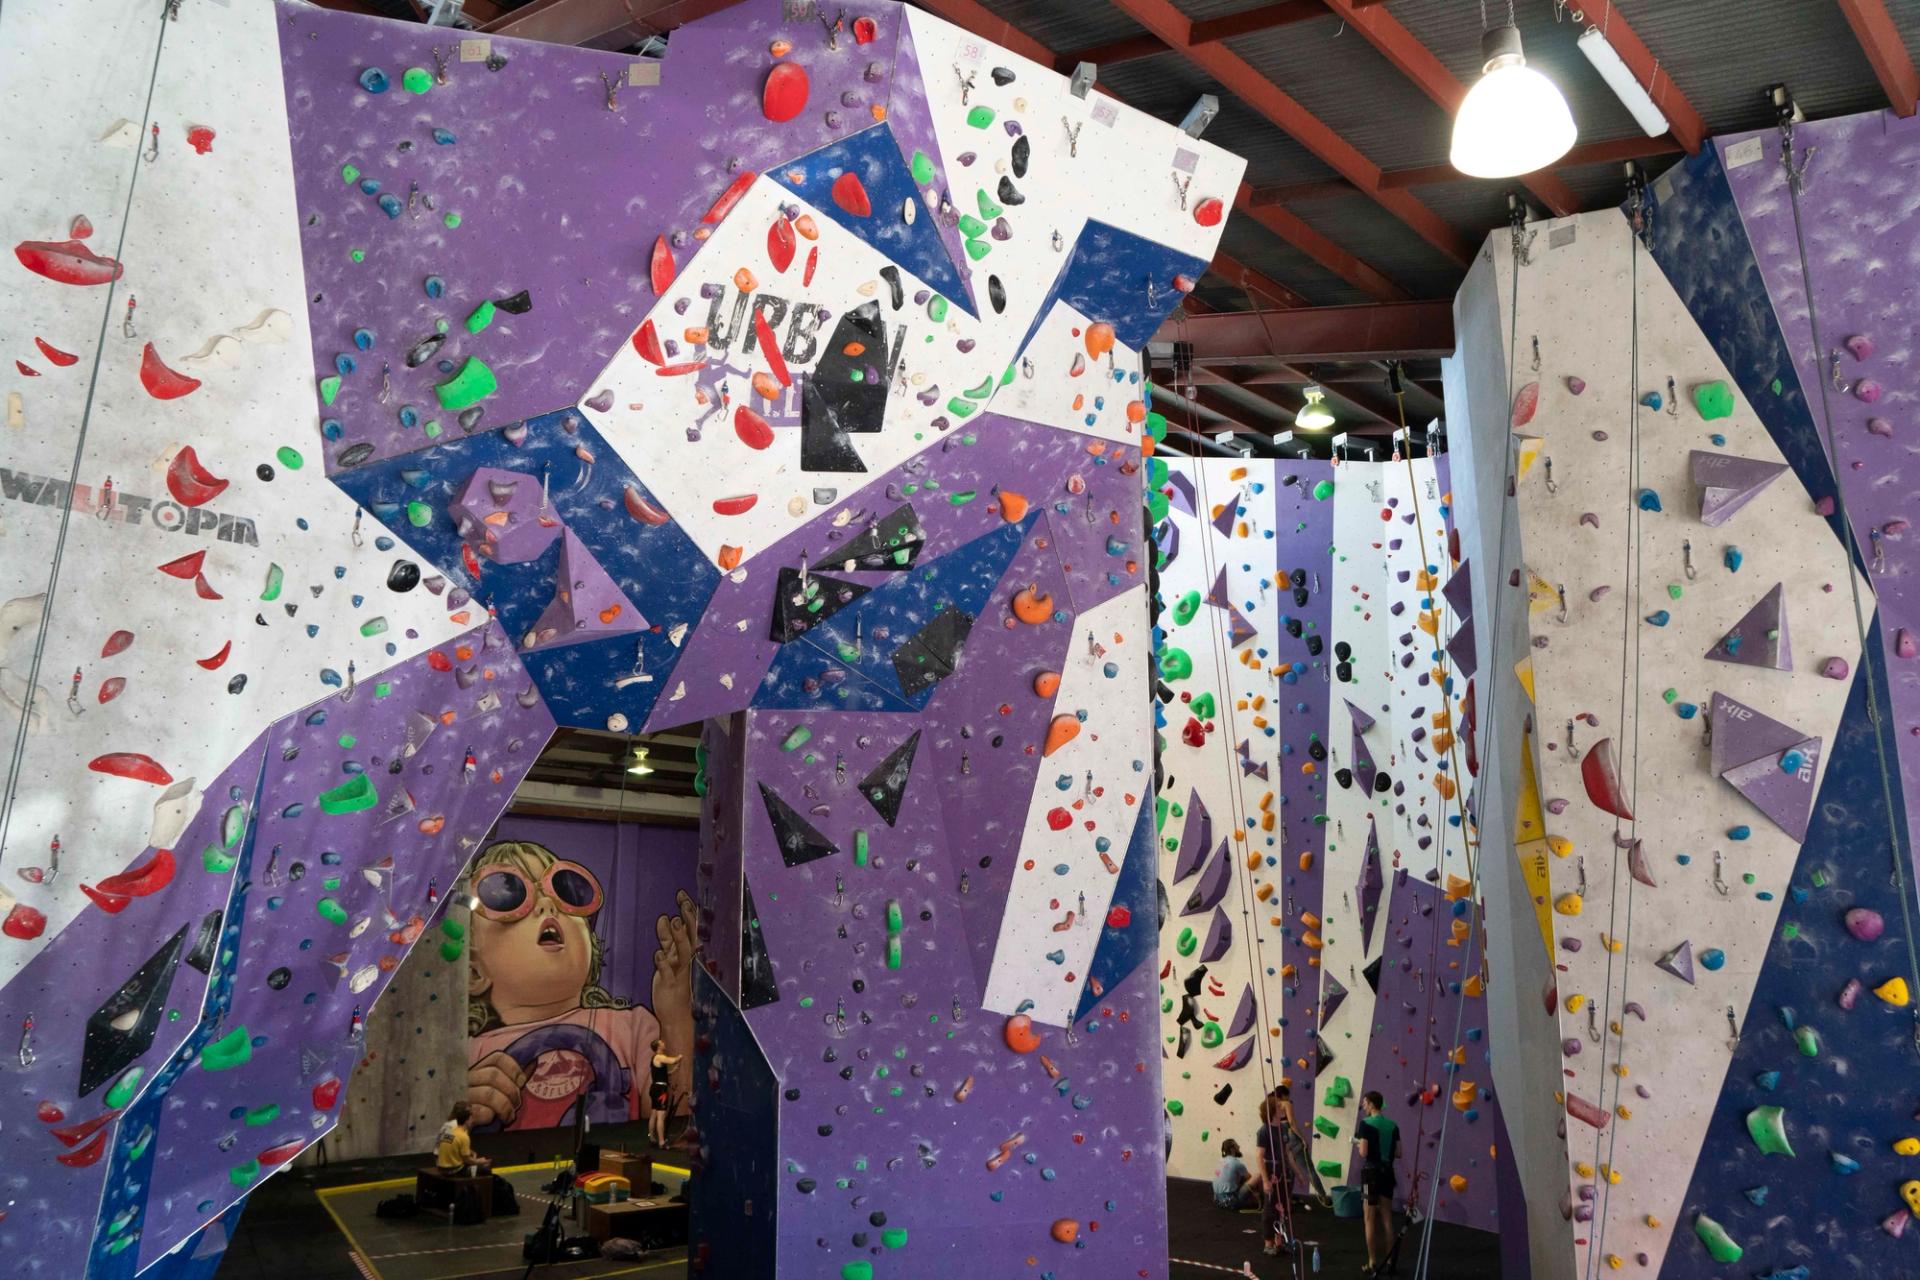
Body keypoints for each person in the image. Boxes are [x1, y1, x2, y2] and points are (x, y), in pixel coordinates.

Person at [465, 840, 699, 1133]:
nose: (548, 904)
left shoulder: (633, 1028)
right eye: (507, 895)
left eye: (565, 890)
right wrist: (460, 1106)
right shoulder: (469, 1054)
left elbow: (674, 1123)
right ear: (474, 972)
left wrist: (677, 1019)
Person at [1355, 1090, 1401, 1273]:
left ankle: (1372, 1261)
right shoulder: (1393, 1125)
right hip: (1387, 1173)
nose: (1364, 1106)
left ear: (1372, 1104)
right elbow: (1398, 1153)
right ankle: (1390, 1263)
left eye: (1365, 1103)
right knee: (1387, 1219)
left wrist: (1358, 1143)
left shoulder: (1366, 1124)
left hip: (1370, 1174)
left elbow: (1363, 1153)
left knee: (1369, 1218)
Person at [1270, 1084, 1333, 1208]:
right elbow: (1292, 1123)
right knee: (1308, 1169)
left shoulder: (1270, 1105)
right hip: (1291, 1137)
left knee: (1289, 1171)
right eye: (1287, 1095)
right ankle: (1323, 1196)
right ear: (1283, 1095)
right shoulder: (1286, 1104)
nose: (1289, 1098)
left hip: (1280, 1140)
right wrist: (1303, 1139)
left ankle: (1286, 1200)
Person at [435, 1101, 489, 1175]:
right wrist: (478, 1161)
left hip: (441, 1161)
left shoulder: (450, 1125)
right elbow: (465, 1158)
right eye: (470, 1115)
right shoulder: (460, 1130)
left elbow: (454, 1144)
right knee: (484, 1168)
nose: (473, 1119)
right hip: (450, 1165)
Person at [647, 1039, 683, 1148]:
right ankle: (661, 1142)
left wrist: (672, 1072)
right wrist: (679, 1057)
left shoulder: (655, 1059)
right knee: (661, 1115)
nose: (664, 1043)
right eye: (661, 1043)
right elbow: (672, 1061)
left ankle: (652, 1138)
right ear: (658, 1046)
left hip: (655, 1088)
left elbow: (661, 1073)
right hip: (660, 1090)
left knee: (654, 1113)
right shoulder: (659, 1056)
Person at [1212, 1138, 1261, 1210]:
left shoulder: (1221, 1160)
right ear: (1232, 1149)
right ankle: (1263, 1200)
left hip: (1217, 1200)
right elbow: (1249, 1178)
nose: (1239, 1146)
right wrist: (1256, 1193)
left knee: (1238, 1177)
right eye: (1236, 1145)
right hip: (1230, 1202)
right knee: (1258, 1176)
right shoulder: (1236, 1163)